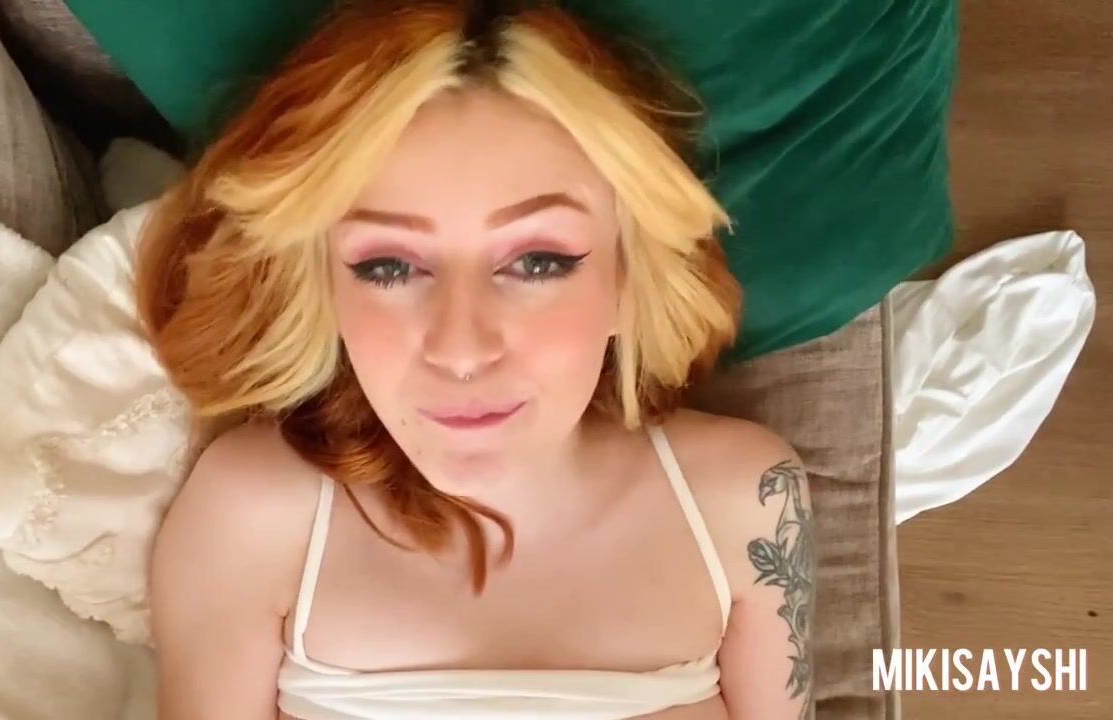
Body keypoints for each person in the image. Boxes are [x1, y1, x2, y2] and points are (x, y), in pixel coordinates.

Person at [137, 2, 815, 718]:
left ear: (627, 279)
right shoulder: (254, 513)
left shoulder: (746, 502)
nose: (461, 350)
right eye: (390, 267)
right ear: (325, 290)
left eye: (538, 261)